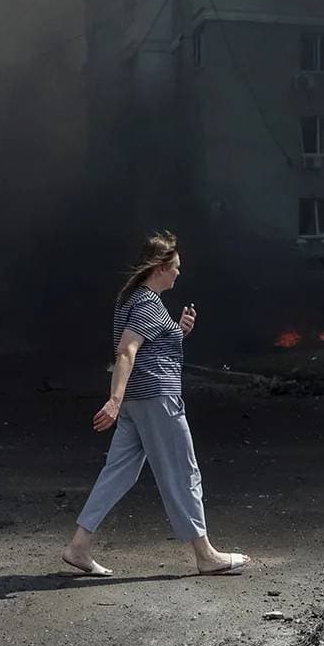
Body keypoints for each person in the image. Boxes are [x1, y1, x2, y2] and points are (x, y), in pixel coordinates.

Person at [63, 231, 251, 577]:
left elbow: (148, 346)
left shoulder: (132, 299)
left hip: (138, 401)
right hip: (157, 399)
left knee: (117, 473)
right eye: (175, 266)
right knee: (184, 472)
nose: (179, 272)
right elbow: (127, 350)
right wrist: (113, 400)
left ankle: (78, 546)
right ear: (161, 267)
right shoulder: (148, 303)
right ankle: (206, 555)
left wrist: (178, 331)